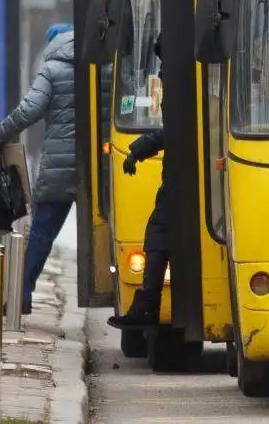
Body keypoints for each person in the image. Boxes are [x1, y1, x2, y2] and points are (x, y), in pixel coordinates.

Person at [0, 23, 77, 315]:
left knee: (41, 233)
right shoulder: (97, 63)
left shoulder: (52, 70)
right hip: (99, 169)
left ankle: (20, 296)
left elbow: (30, 109)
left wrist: (0, 134)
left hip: (60, 167)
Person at [108, 33, 171, 330]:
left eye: (162, 60)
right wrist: (138, 149)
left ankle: (147, 306)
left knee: (160, 231)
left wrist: (139, 149)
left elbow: (176, 130)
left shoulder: (180, 80)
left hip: (183, 181)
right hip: (179, 178)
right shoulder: (181, 76)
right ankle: (147, 305)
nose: (160, 71)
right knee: (159, 232)